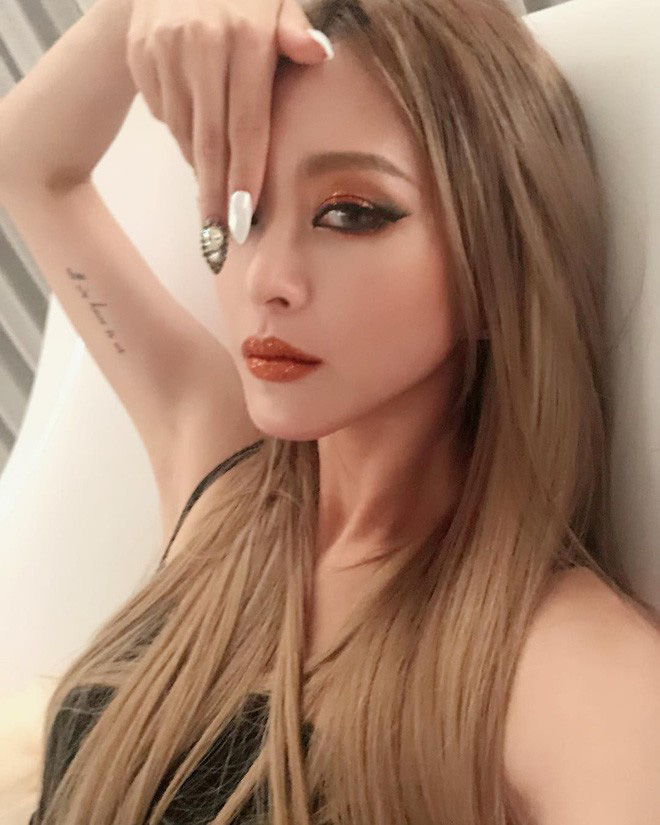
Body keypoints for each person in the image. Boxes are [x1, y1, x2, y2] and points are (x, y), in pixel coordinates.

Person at [0, 0, 659, 823]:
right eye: (239, 210)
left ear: (498, 255)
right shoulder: (221, 481)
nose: (265, 279)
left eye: (350, 213)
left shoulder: (570, 668)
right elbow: (27, 162)